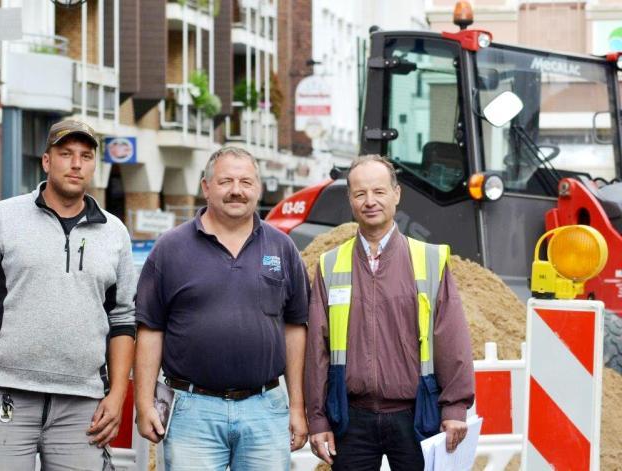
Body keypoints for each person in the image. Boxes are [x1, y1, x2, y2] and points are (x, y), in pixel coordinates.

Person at [0, 119, 136, 470]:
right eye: (66, 154)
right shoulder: (1, 219)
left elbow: (123, 319)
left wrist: (117, 395)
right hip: (8, 395)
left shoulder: (115, 233)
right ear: (47, 161)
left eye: (86, 155)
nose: (76, 164)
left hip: (83, 404)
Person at [134, 146, 310, 470]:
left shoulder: (282, 248)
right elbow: (150, 329)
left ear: (258, 188)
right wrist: (143, 402)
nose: (236, 191)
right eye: (226, 181)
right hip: (191, 410)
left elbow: (296, 327)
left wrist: (298, 406)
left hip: (265, 409)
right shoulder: (170, 249)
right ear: (206, 187)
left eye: (246, 182)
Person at [305, 155, 475, 470]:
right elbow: (317, 349)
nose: (370, 201)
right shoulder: (330, 265)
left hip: (416, 417)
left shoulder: (429, 260)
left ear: (396, 195)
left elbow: (451, 339)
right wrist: (317, 419)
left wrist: (454, 409)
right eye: (360, 193)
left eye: (379, 191)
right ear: (350, 200)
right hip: (351, 419)